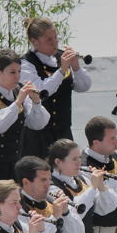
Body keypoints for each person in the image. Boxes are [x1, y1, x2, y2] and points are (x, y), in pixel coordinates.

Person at [0, 49, 50, 200]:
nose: (17, 76)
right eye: (12, 72)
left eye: (19, 71)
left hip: (12, 166)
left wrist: (36, 102)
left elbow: (38, 124)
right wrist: (18, 102)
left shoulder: (19, 94)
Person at [19, 17, 91, 158]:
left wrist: (76, 67)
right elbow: (41, 92)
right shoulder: (26, 64)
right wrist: (62, 70)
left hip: (63, 131)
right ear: (34, 41)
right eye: (49, 40)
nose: (55, 43)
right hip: (38, 136)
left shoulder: (61, 58)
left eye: (55, 37)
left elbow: (83, 86)